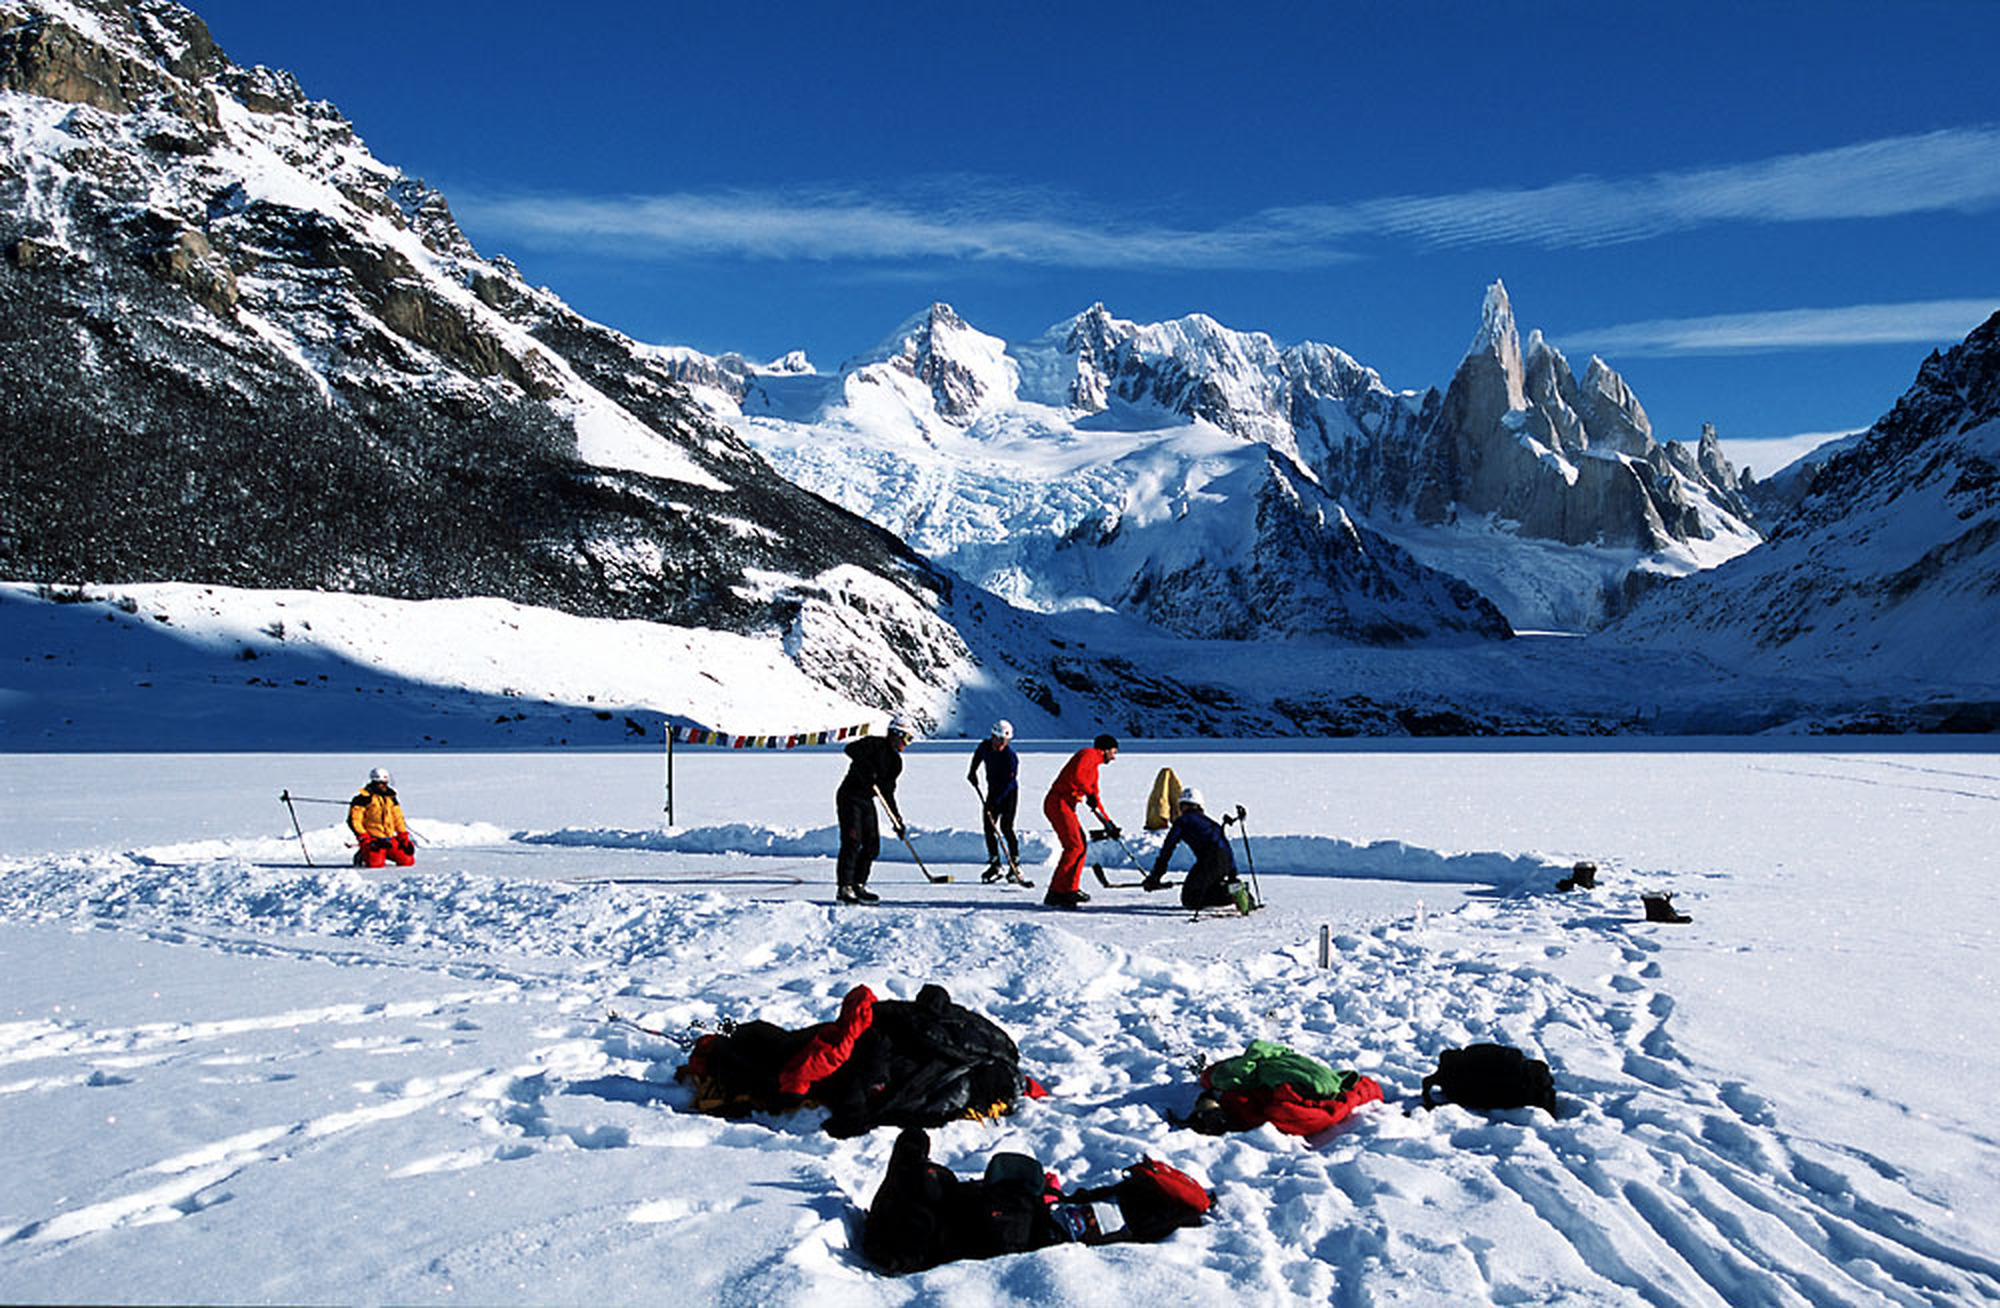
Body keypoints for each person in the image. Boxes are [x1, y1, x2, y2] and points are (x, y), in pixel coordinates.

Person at [836, 718, 913, 905]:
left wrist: (897, 820)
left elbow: (887, 793)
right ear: (896, 734)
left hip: (866, 800)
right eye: (907, 738)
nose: (907, 744)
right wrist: (867, 768)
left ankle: (858, 885)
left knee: (872, 845)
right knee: (853, 841)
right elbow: (850, 749)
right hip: (850, 796)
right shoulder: (873, 744)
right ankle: (844, 888)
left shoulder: (896, 762)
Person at [1041, 734, 1119, 909]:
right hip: (1058, 802)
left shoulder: (1095, 768)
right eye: (1113, 752)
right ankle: (1058, 892)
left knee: (1080, 844)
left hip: (1066, 805)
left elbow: (1094, 798)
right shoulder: (1088, 754)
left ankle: (1068, 889)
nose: (1114, 757)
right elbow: (1077, 777)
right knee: (1074, 846)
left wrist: (1108, 823)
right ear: (1105, 749)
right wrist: (1088, 793)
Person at [1145, 787, 1240, 910]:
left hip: (1209, 861)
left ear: (1183, 806)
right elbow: (1226, 848)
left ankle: (1229, 893)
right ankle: (1234, 889)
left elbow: (1168, 848)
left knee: (1190, 898)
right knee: (1206, 887)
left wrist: (1156, 875)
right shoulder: (1211, 823)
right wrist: (1233, 875)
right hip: (1225, 862)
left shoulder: (1182, 821)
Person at [967, 719, 1022, 883]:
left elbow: (1008, 783)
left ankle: (1015, 864)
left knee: (1006, 828)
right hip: (993, 792)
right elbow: (978, 756)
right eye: (998, 739)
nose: (1000, 743)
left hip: (1009, 794)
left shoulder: (1010, 758)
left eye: (1004, 741)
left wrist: (995, 802)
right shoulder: (985, 746)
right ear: (992, 736)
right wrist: (972, 772)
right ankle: (995, 864)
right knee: (989, 828)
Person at [349, 767, 415, 868]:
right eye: (379, 783)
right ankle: (363, 854)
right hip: (372, 839)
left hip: (389, 838)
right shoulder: (363, 798)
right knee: (375, 864)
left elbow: (398, 819)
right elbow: (355, 820)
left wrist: (403, 837)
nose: (382, 786)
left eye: (384, 783)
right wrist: (365, 838)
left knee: (407, 861)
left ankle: (385, 853)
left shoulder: (391, 798)